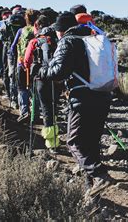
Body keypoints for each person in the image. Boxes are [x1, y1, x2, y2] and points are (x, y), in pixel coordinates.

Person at [38, 11, 113, 198]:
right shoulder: (92, 38)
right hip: (102, 95)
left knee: (75, 142)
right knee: (91, 143)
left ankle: (99, 175)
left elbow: (58, 72)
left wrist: (41, 71)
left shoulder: (68, 41)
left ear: (60, 30)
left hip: (82, 97)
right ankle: (92, 190)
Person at [23, 15, 59, 150]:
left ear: (37, 26)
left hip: (41, 78)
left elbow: (27, 61)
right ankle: (56, 134)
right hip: (57, 77)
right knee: (54, 106)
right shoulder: (57, 39)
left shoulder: (35, 41)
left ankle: (51, 143)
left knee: (46, 108)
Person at [12, 9, 40, 121]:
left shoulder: (21, 31)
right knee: (35, 89)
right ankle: (35, 114)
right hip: (34, 64)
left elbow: (13, 47)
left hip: (21, 63)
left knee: (22, 88)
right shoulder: (38, 31)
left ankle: (24, 112)